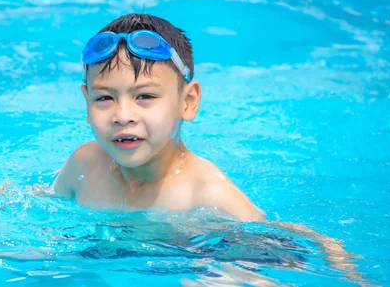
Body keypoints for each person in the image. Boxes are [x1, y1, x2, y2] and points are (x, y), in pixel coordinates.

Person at [52, 13, 265, 221]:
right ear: (88, 104)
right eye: (104, 98)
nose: (123, 116)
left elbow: (280, 248)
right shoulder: (84, 165)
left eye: (145, 96)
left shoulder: (210, 197)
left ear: (188, 101)